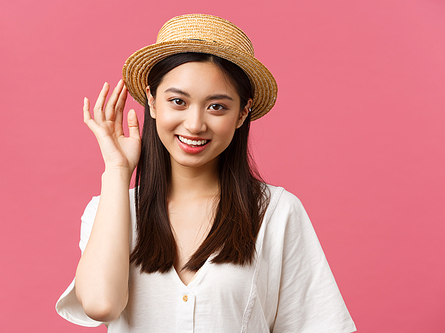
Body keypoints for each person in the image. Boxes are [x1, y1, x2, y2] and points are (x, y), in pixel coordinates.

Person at [56, 14, 356, 333]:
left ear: (242, 113)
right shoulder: (110, 210)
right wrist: (117, 171)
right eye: (178, 101)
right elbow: (101, 305)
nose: (196, 124)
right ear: (152, 102)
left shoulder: (276, 212)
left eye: (217, 107)